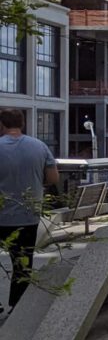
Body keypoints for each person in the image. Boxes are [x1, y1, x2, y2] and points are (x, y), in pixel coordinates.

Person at [0, 108, 59, 311]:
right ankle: (18, 305)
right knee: (22, 262)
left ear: (2, 125)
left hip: (1, 216)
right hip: (28, 215)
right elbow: (53, 178)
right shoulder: (40, 146)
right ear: (22, 124)